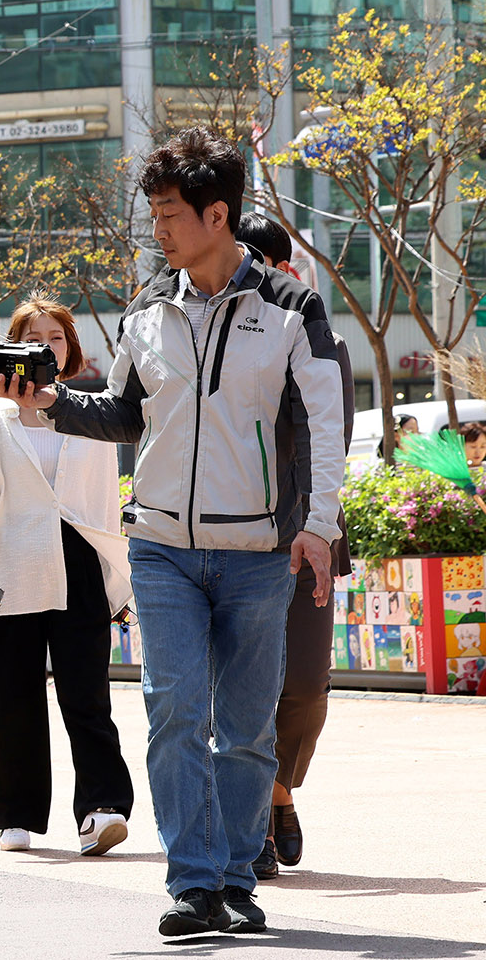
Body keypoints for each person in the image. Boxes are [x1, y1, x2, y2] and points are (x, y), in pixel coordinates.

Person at [0, 127, 344, 939]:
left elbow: (327, 423)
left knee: (247, 727)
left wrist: (318, 525)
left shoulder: (292, 308)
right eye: (153, 212)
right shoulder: (149, 307)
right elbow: (118, 411)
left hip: (258, 552)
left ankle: (233, 876)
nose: (158, 229)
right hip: (160, 549)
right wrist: (45, 402)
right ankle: (192, 884)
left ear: (217, 214)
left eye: (169, 213)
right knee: (175, 708)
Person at [0, 299, 134, 855]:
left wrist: (117, 573)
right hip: (10, 566)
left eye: (57, 337)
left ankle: (102, 809)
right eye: (34, 336)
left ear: (70, 348)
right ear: (12, 347)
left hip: (81, 562)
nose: (46, 346)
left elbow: (103, 499)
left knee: (87, 694)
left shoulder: (90, 412)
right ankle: (17, 813)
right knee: (12, 693)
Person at [233, 213, 355, 879]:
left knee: (306, 685)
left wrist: (320, 525)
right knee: (241, 685)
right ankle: (255, 811)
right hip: (237, 537)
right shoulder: (214, 336)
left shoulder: (323, 341)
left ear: (284, 269)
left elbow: (330, 441)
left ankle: (279, 786)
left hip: (309, 534)